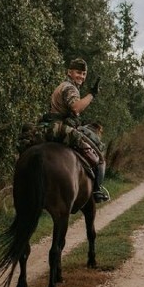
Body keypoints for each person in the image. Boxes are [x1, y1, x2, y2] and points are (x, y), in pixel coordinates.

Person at [48, 58, 110, 203]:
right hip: (60, 128)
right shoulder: (70, 87)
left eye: (83, 74)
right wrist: (92, 94)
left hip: (50, 125)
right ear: (69, 72)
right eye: (78, 73)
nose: (81, 76)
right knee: (99, 157)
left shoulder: (61, 86)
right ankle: (96, 191)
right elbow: (76, 107)